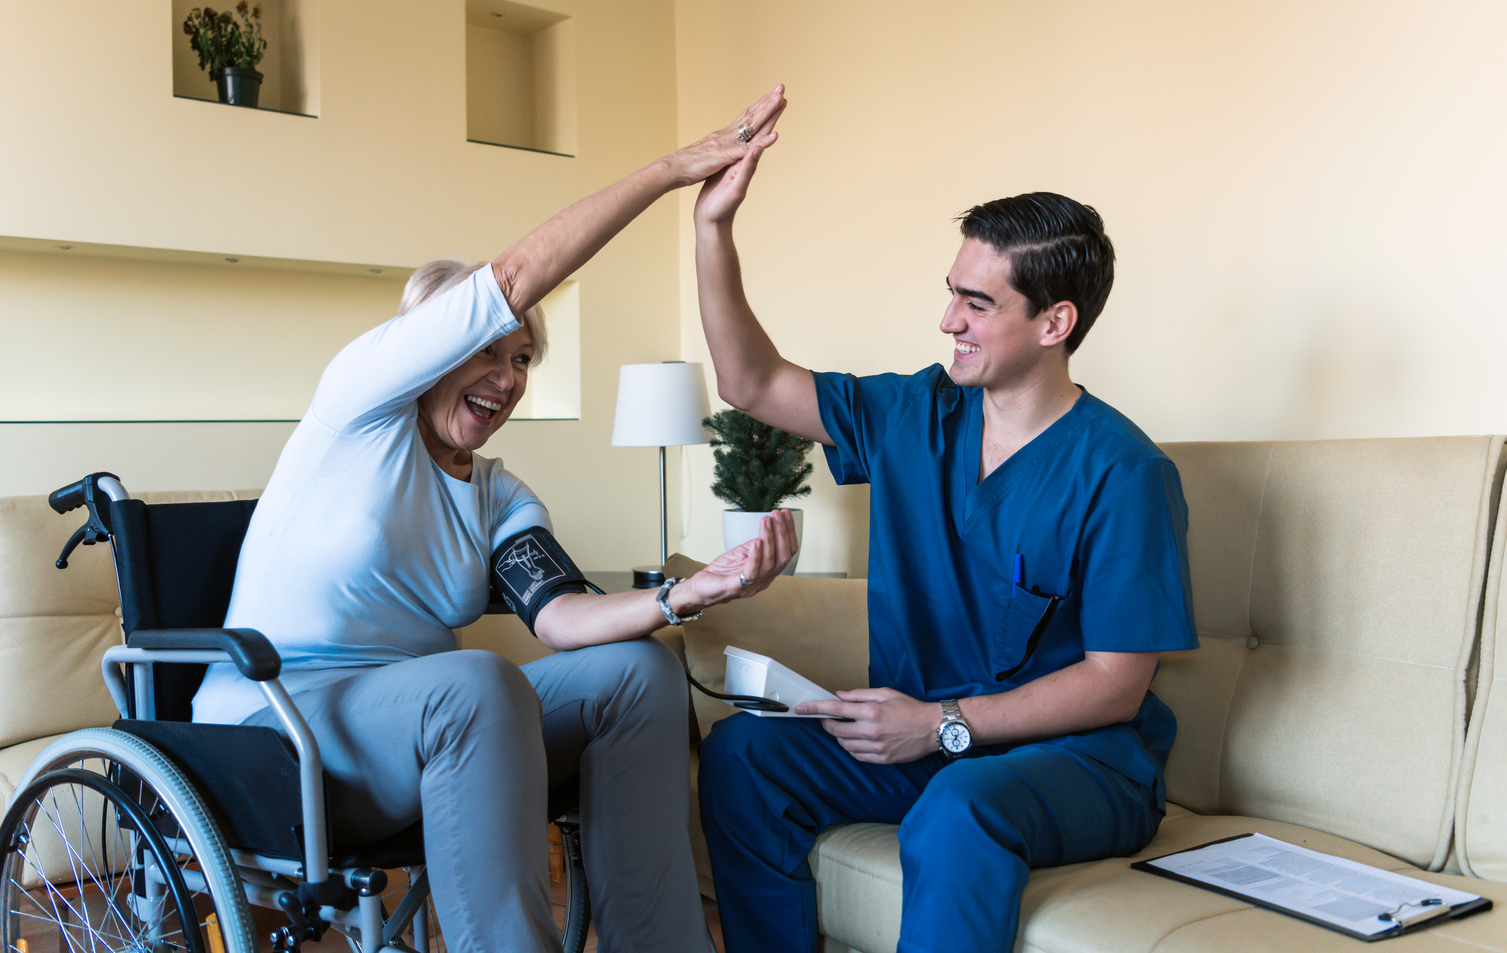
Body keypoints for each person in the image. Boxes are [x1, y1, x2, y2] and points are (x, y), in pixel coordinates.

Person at [191, 86, 797, 953]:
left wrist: (684, 594)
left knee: (637, 672)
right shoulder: (356, 411)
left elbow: (559, 616)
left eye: (521, 359)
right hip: (282, 729)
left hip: (427, 723)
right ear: (427, 350)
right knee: (475, 682)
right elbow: (514, 275)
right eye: (485, 348)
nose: (507, 377)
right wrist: (669, 172)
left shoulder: (498, 493)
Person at [689, 120, 1199, 951]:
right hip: (929, 740)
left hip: (1079, 763)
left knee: (959, 811)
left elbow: (1115, 684)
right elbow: (750, 382)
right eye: (950, 291)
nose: (945, 320)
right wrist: (712, 228)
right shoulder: (912, 413)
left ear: (1052, 321)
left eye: (976, 302)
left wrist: (939, 725)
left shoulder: (1123, 471)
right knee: (743, 755)